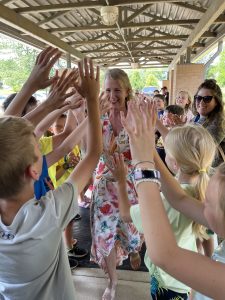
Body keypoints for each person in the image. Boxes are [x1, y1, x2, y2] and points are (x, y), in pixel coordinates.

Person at [0, 55, 102, 300]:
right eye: (37, 151)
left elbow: (6, 132)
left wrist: (35, 90)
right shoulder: (49, 213)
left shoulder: (49, 210)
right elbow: (94, 155)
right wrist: (93, 100)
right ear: (34, 171)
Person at [120, 99, 225, 299]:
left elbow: (164, 255)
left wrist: (143, 163)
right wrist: (146, 146)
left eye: (209, 203)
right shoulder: (204, 199)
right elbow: (179, 198)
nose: (201, 203)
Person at [90, 68, 143, 300]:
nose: (112, 95)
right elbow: (90, 152)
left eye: (117, 90)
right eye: (108, 90)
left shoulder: (136, 116)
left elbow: (144, 151)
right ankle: (112, 281)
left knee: (131, 232)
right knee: (105, 236)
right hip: (103, 187)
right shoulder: (99, 118)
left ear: (127, 91)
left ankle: (133, 249)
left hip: (129, 185)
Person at [192, 79, 225, 167]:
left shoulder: (220, 122)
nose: (201, 102)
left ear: (217, 102)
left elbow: (201, 147)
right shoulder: (196, 118)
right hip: (198, 168)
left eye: (207, 99)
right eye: (198, 98)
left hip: (214, 174)